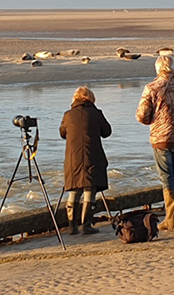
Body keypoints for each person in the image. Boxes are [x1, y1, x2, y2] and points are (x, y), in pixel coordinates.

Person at [136, 55, 174, 230]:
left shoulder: (152, 88)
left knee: (166, 178)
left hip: (161, 138)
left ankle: (170, 219)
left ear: (158, 69)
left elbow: (141, 115)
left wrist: (153, 121)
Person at [59, 86, 112, 235]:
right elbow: (107, 132)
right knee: (90, 188)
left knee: (74, 189)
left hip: (73, 158)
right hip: (92, 156)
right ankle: (86, 225)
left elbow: (63, 133)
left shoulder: (68, 115)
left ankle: (72, 226)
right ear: (91, 98)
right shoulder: (96, 113)